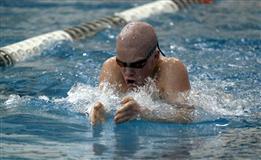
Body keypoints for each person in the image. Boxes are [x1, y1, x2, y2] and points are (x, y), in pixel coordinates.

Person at [89, 21, 193, 125]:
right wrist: (96, 111)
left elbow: (186, 115)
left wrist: (144, 112)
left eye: (137, 64)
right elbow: (99, 102)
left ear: (155, 57)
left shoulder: (171, 69)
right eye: (121, 63)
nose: (128, 72)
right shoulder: (111, 67)